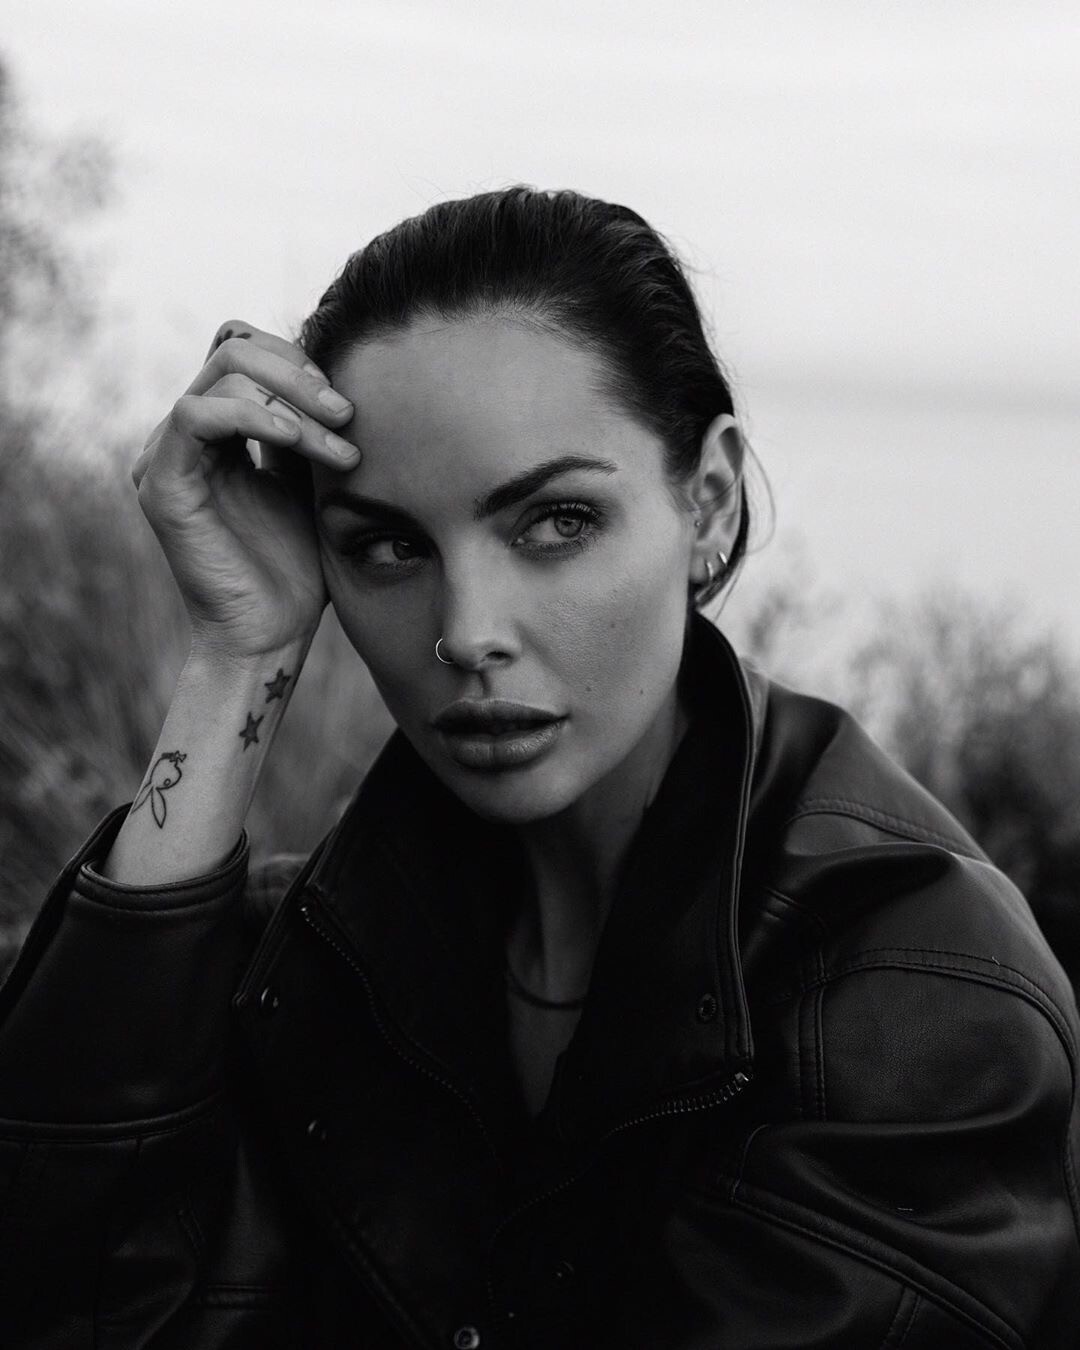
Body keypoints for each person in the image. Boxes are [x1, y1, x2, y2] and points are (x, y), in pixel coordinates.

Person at [0, 186, 1077, 1349]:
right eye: (388, 545)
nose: (466, 632)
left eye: (556, 522)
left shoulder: (917, 991)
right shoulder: (309, 954)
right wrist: (237, 655)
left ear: (709, 502)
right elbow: (63, 1294)